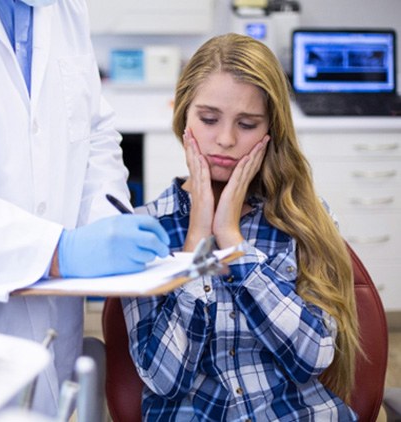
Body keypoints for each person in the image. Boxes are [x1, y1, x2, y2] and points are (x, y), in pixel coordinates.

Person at [121, 33, 360, 421]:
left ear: (271, 131)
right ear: (184, 116)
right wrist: (198, 243)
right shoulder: (143, 230)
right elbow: (164, 378)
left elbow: (313, 357)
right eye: (209, 119)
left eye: (247, 124)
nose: (226, 140)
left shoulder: (304, 218)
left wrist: (233, 243)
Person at [0, 0, 170, 417]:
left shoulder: (65, 9)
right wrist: (57, 249)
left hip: (56, 325)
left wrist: (105, 223)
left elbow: (93, 130)